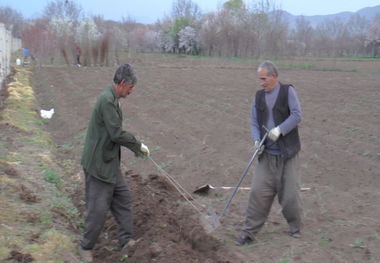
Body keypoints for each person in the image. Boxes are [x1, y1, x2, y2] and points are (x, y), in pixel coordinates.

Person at [79, 63, 150, 262]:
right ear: (122, 83)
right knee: (98, 209)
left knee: (124, 198)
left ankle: (126, 240)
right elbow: (116, 134)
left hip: (109, 163)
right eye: (131, 87)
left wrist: (137, 146)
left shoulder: (113, 99)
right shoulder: (107, 101)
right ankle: (86, 247)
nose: (132, 90)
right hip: (99, 165)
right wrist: (138, 145)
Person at [235, 60, 303, 246]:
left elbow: (297, 115)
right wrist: (257, 140)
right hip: (267, 154)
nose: (261, 82)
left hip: (287, 154)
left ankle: (295, 227)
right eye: (259, 79)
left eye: (264, 79)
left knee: (289, 195)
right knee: (258, 192)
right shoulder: (258, 97)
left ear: (274, 77)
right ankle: (248, 233)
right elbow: (254, 122)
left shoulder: (287, 91)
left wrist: (280, 130)